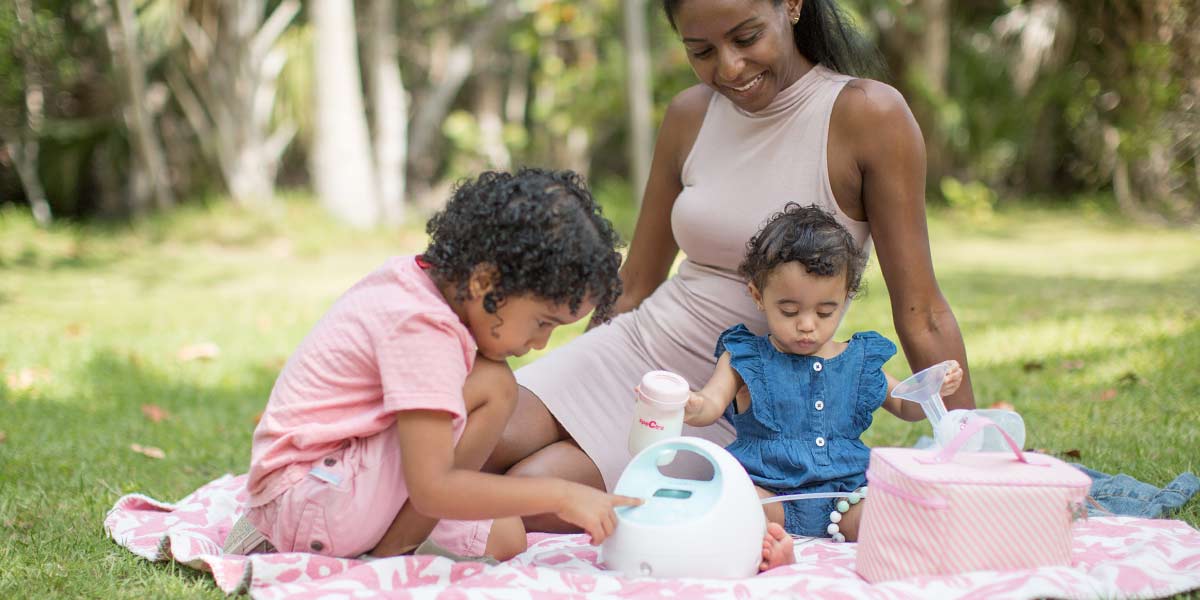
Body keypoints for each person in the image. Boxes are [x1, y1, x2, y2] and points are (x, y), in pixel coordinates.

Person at [485, 0, 975, 535]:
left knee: (531, 493)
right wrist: (579, 376)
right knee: (481, 444)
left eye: (746, 38)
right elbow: (636, 283)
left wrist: (975, 459)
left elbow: (922, 310)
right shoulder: (689, 115)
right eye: (701, 50)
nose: (729, 67)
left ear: (791, 6)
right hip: (640, 350)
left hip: (740, 405)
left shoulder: (867, 115)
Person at [222, 168, 642, 561]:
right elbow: (432, 489)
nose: (540, 343)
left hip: (322, 490)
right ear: (484, 282)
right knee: (495, 386)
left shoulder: (418, 283)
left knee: (508, 537)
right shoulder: (422, 326)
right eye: (542, 322)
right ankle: (388, 557)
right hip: (312, 498)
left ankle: (386, 548)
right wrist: (563, 496)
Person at [683, 204, 962, 571]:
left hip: (845, 497)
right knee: (734, 505)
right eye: (789, 310)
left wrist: (932, 388)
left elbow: (905, 406)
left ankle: (909, 550)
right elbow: (710, 404)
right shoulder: (746, 356)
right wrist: (688, 403)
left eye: (825, 312)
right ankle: (773, 549)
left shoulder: (858, 361)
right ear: (757, 295)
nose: (807, 326)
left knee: (891, 510)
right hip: (769, 494)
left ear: (845, 297)